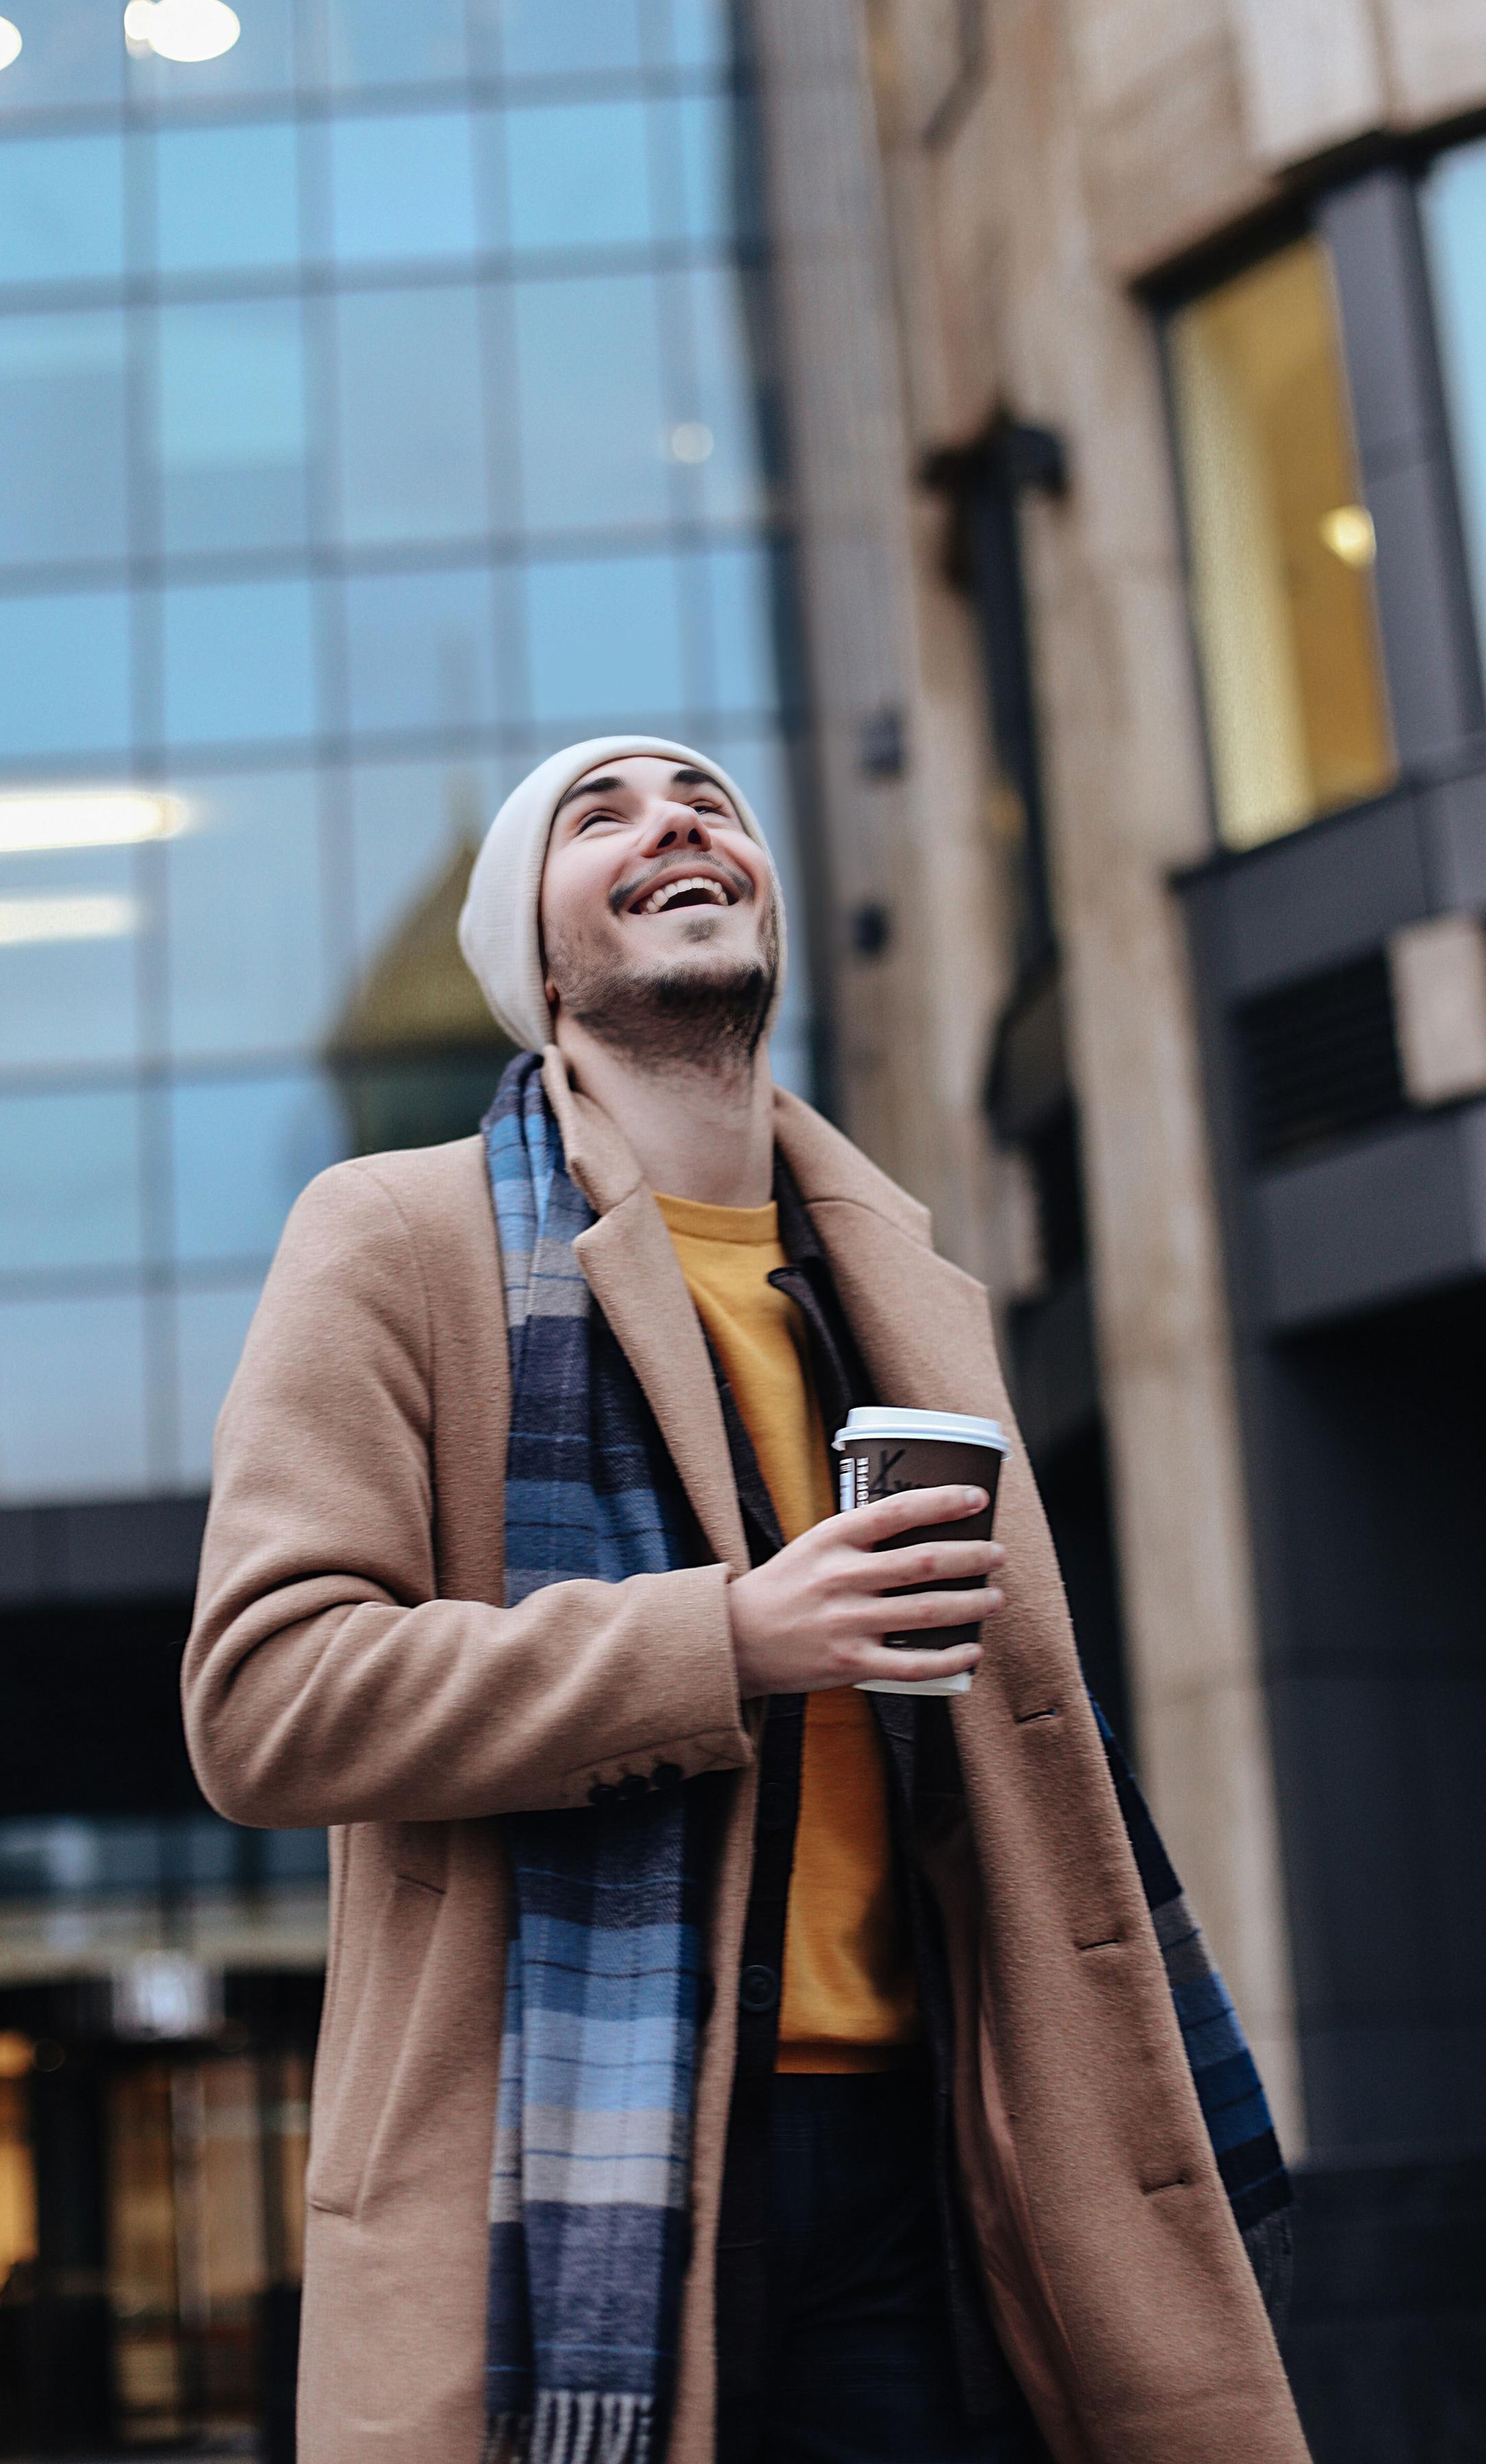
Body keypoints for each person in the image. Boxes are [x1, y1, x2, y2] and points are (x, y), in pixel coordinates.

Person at [182, 737, 1306, 2464]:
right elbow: (266, 1698)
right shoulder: (393, 1238)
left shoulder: (902, 1288)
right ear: (536, 961)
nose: (672, 823)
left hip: (945, 2152)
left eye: (704, 801)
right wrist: (727, 1640)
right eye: (598, 814)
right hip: (573, 2168)